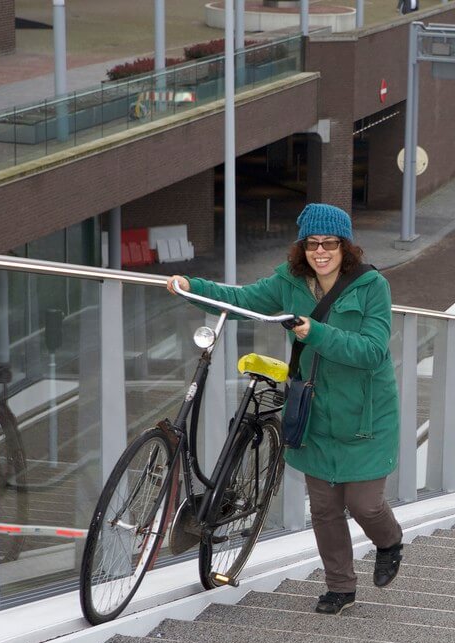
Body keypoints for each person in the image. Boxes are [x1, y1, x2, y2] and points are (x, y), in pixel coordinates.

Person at [168, 203, 404, 616]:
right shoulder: (289, 281)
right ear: (303, 248)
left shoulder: (371, 287)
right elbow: (240, 298)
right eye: (312, 243)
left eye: (330, 243)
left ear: (345, 246)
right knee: (326, 507)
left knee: (365, 504)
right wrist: (191, 286)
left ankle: (389, 542)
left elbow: (370, 351)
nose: (321, 251)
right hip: (312, 409)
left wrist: (316, 332)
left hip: (365, 413)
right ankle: (340, 587)